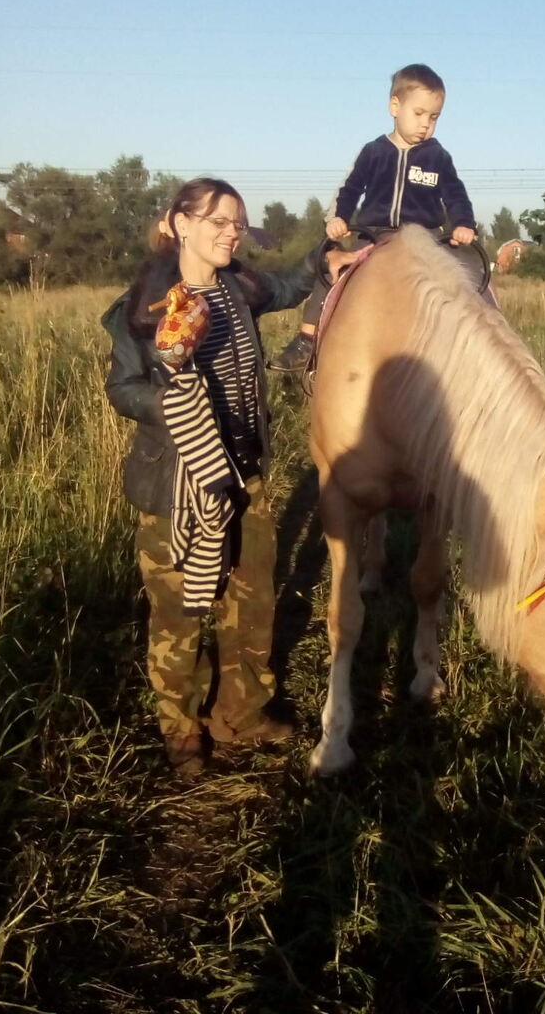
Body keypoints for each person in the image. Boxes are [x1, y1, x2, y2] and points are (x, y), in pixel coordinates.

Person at [102, 177, 354, 775]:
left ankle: (241, 715)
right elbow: (122, 388)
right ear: (179, 224)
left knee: (252, 599)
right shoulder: (145, 303)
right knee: (180, 611)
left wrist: (326, 257)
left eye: (237, 222)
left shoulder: (239, 286)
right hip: (177, 483)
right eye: (217, 221)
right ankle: (182, 730)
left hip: (247, 477)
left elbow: (293, 284)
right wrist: (170, 402)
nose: (230, 231)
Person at [270, 63, 479, 371]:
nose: (426, 124)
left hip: (426, 237)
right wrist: (338, 217)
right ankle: (307, 340)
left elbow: (456, 194)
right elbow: (350, 187)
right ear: (395, 106)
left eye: (434, 117)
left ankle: (473, 345)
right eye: (419, 113)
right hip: (374, 233)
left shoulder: (438, 157)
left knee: (470, 275)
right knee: (331, 266)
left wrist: (463, 224)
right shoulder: (374, 152)